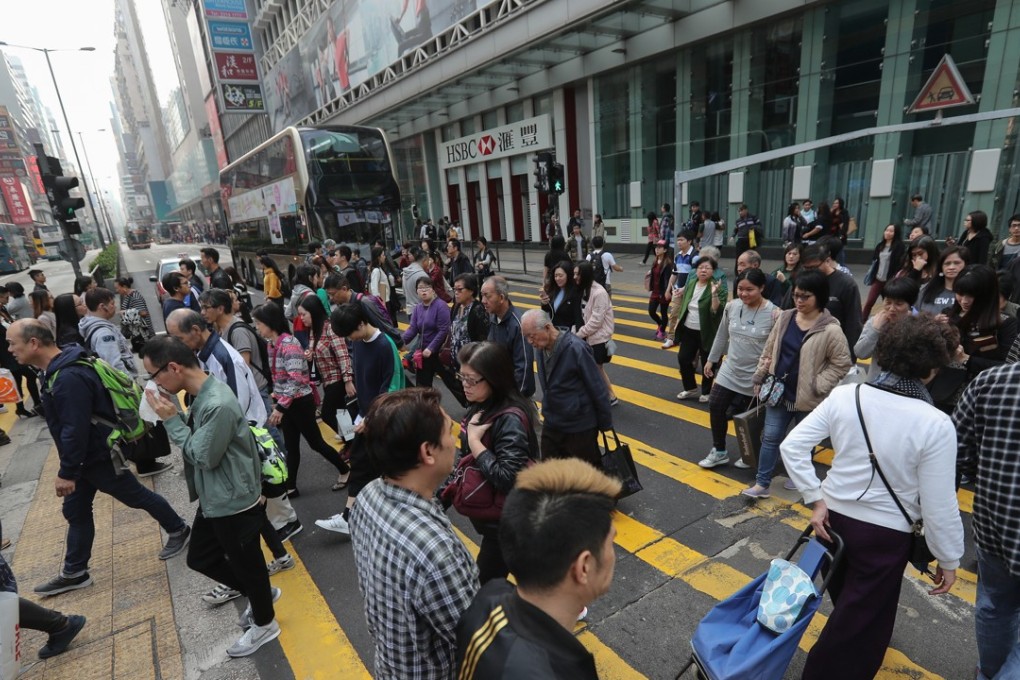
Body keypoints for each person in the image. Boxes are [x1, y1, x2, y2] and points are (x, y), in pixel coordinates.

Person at [779, 314, 963, 679]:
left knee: (848, 604)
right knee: (858, 627)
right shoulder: (936, 423)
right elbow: (939, 502)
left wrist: (816, 498)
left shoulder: (847, 395)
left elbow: (792, 445)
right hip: (884, 536)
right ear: (931, 369)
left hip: (831, 521)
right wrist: (949, 557)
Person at [6, 320, 190, 596]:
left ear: (33, 343)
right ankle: (75, 571)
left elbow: (74, 429)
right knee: (76, 510)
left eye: (12, 343)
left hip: (96, 456)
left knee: (135, 496)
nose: (9, 349)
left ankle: (179, 529)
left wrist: (67, 471)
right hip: (86, 457)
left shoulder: (67, 377)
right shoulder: (58, 367)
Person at [141, 336, 282, 658]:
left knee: (249, 566)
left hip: (233, 499)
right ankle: (261, 596)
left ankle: (265, 623)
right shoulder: (200, 394)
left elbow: (204, 456)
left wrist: (171, 420)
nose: (154, 384)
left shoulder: (216, 403)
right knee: (201, 557)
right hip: (217, 495)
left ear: (173, 368)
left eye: (154, 375)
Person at [348, 388, 480, 679]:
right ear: (428, 451)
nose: (456, 438)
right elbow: (478, 645)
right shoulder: (434, 551)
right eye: (450, 430)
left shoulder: (368, 496)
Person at [455, 459, 620, 679]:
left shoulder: (488, 598)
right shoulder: (557, 672)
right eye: (611, 542)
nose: (613, 554)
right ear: (584, 567)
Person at [746, 270, 852, 498]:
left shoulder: (831, 328)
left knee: (805, 441)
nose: (799, 301)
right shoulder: (785, 318)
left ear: (820, 296)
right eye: (796, 296)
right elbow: (769, 349)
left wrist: (818, 385)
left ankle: (799, 478)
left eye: (805, 296)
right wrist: (759, 375)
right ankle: (762, 483)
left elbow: (841, 364)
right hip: (779, 393)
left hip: (809, 397)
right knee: (771, 437)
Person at [315, 302, 406, 536]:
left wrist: (371, 417)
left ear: (362, 323)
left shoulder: (385, 346)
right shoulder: (359, 343)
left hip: (381, 420)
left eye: (351, 334)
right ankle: (356, 516)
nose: (350, 340)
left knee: (365, 466)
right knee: (370, 468)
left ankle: (351, 518)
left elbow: (392, 388)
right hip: (366, 417)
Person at [955, 356, 1020, 680]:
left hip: (995, 525)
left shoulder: (990, 382)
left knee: (995, 605)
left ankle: (989, 672)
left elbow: (959, 451)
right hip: (996, 526)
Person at [453, 342, 538, 583]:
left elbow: (508, 477)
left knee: (485, 583)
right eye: (462, 376)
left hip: (507, 520)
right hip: (496, 516)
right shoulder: (480, 407)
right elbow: (464, 463)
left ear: (494, 378)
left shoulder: (509, 418)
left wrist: (476, 443)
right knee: (527, 567)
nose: (464, 385)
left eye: (471, 380)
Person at [252, 303, 351, 495]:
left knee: (316, 442)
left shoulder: (289, 344)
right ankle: (291, 486)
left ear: (269, 323)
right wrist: (278, 397)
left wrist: (280, 406)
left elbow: (296, 378)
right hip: (288, 402)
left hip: (300, 402)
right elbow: (281, 376)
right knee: (291, 445)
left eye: (258, 323)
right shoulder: (272, 344)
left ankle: (345, 470)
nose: (257, 327)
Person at [698, 269, 781, 469]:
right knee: (716, 405)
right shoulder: (732, 307)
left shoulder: (775, 314)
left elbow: (778, 349)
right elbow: (721, 335)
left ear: (762, 288)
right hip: (730, 369)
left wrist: (766, 375)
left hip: (756, 375)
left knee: (750, 417)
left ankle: (751, 453)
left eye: (749, 290)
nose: (743, 294)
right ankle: (719, 451)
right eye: (740, 289)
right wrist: (712, 360)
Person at [522, 309, 612, 467]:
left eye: (532, 335)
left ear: (548, 328)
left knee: (584, 479)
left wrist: (605, 424)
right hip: (553, 423)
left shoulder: (576, 348)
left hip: (579, 427)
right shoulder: (540, 350)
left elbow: (597, 388)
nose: (530, 341)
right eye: (526, 337)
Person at [165, 308, 267, 426]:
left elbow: (237, 408)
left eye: (179, 339)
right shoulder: (200, 352)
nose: (177, 345)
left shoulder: (224, 358)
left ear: (195, 330)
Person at [793, 240, 863, 361]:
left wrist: (850, 357)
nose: (810, 272)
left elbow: (853, 322)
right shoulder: (801, 279)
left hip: (831, 349)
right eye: (806, 268)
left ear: (827, 261)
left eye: (814, 267)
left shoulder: (846, 284)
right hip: (801, 346)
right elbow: (788, 310)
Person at [945, 264, 1019, 378]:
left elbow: (1009, 367)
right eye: (960, 293)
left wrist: (966, 359)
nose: (964, 301)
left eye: (971, 295)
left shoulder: (1005, 323)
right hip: (944, 385)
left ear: (987, 295)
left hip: (982, 386)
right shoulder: (948, 316)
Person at [299, 294, 355, 439]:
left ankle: (351, 441)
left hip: (338, 379)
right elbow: (317, 350)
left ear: (314, 312)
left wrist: (348, 380)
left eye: (304, 314)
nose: (301, 318)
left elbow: (342, 354)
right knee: (341, 412)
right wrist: (310, 354)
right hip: (327, 381)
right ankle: (350, 441)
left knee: (328, 415)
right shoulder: (313, 330)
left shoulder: (330, 328)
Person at [673, 257, 727, 403]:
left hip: (707, 331)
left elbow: (716, 310)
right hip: (689, 329)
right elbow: (686, 304)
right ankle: (690, 387)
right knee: (683, 358)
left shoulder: (716, 286)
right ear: (696, 271)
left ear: (713, 271)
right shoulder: (691, 283)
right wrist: (678, 322)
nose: (703, 270)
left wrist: (714, 293)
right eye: (700, 268)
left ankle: (707, 391)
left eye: (707, 268)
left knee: (709, 362)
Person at [854, 277, 920, 377]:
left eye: (899, 304)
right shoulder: (875, 322)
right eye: (888, 302)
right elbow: (860, 353)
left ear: (910, 304)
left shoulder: (918, 325)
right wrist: (875, 330)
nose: (892, 308)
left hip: (905, 386)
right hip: (876, 384)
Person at [481, 276, 535, 397]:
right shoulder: (493, 318)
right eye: (482, 295)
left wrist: (513, 399)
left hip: (515, 396)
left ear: (501, 297)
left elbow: (524, 368)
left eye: (487, 296)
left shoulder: (518, 325)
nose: (483, 300)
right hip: (499, 391)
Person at [574, 260, 618, 405]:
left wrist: (578, 334)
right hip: (589, 336)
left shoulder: (599, 293)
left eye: (577, 274)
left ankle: (609, 396)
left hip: (599, 338)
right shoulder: (583, 289)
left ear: (584, 275)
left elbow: (596, 321)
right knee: (594, 368)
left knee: (596, 368)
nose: (574, 277)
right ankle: (605, 395)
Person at [402, 277, 453, 390]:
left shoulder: (441, 306)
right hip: (424, 353)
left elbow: (444, 330)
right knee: (422, 387)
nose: (424, 290)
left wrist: (431, 348)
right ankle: (426, 406)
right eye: (420, 288)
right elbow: (413, 329)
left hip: (439, 353)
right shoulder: (417, 308)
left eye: (427, 287)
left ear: (433, 290)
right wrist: (399, 342)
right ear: (416, 291)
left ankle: (471, 403)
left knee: (453, 383)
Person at [80, 288, 138, 376]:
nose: (115, 306)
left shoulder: (90, 325)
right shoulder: (104, 334)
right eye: (112, 303)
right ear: (102, 306)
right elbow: (115, 365)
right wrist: (131, 385)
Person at [662, 230, 699, 348]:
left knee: (690, 316)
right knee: (673, 314)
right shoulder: (677, 256)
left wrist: (685, 288)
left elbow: (696, 276)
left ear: (689, 241)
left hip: (692, 292)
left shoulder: (695, 256)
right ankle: (671, 338)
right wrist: (668, 289)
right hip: (678, 291)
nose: (679, 242)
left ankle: (687, 340)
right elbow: (674, 274)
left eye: (681, 240)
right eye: (678, 240)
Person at [862, 224, 906, 320]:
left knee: (889, 304)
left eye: (891, 231)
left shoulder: (899, 247)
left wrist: (895, 278)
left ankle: (890, 322)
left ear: (896, 233)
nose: (888, 233)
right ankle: (861, 321)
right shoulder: (880, 245)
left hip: (890, 280)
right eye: (886, 230)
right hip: (878, 279)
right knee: (870, 301)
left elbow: (900, 264)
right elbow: (875, 261)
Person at [917, 245, 971, 315]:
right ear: (941, 267)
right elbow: (915, 314)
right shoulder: (925, 290)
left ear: (966, 265)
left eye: (957, 263)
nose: (951, 267)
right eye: (947, 264)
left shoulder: (972, 292)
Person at [539, 259, 583, 331]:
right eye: (555, 276)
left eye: (560, 276)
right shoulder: (553, 290)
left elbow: (578, 318)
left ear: (568, 275)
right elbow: (549, 311)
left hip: (568, 334)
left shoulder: (575, 293)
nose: (557, 278)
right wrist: (544, 304)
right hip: (554, 332)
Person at [115, 277, 155, 352]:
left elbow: (143, 312)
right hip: (137, 334)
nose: (116, 291)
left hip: (144, 334)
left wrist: (125, 312)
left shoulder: (135, 297)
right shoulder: (128, 296)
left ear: (124, 287)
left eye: (117, 288)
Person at [286, 264, 319, 349]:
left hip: (299, 333)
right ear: (310, 278)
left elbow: (287, 313)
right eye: (315, 277)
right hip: (310, 335)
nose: (317, 279)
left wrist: (298, 320)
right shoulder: (311, 295)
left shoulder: (295, 292)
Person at [646, 240, 673, 340]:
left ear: (665, 250)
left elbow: (669, 279)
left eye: (660, 248)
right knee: (651, 311)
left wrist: (667, 291)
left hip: (663, 292)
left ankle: (662, 331)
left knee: (663, 312)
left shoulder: (668, 263)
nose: (657, 249)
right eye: (656, 247)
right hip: (655, 291)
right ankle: (660, 324)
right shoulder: (655, 261)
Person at [401, 247, 430, 315]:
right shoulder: (422, 275)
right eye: (428, 260)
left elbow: (404, 292)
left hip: (410, 310)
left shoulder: (406, 272)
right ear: (424, 260)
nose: (429, 263)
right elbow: (428, 298)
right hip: (422, 312)